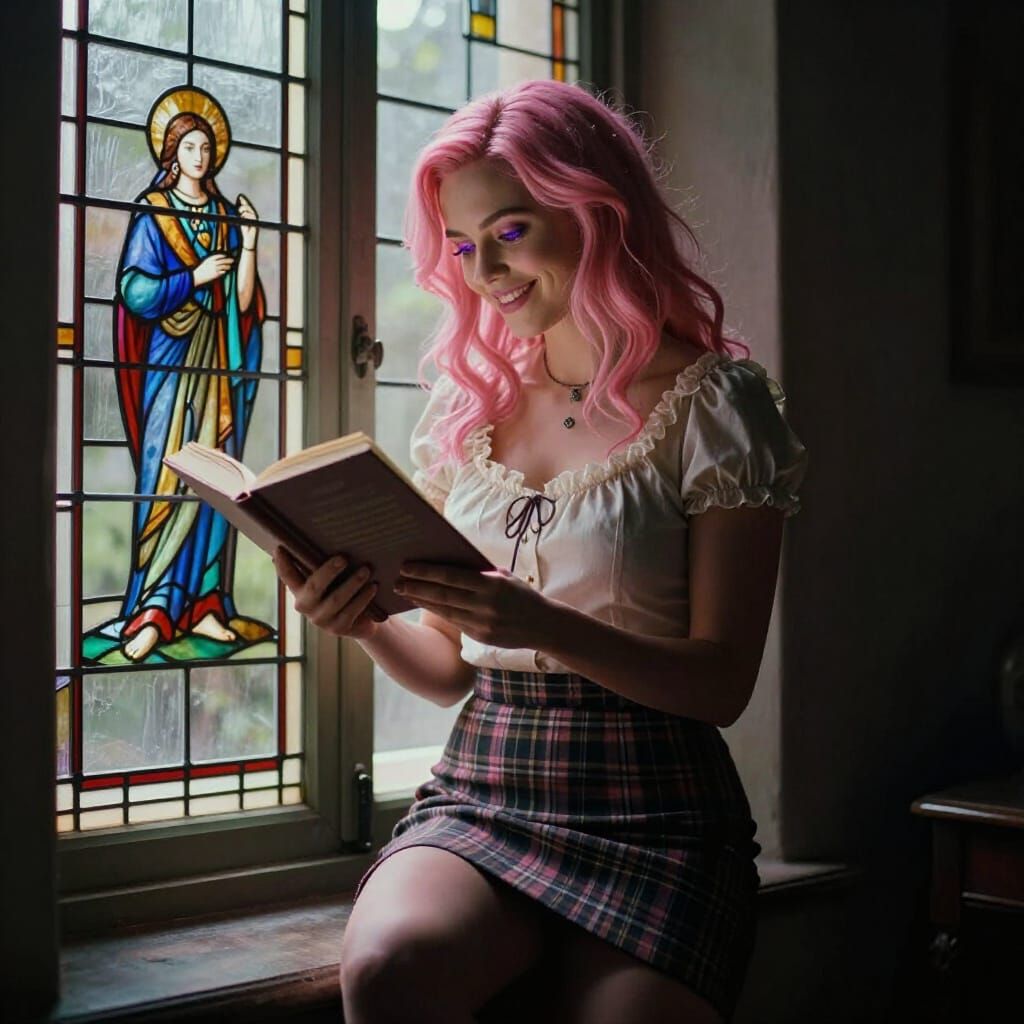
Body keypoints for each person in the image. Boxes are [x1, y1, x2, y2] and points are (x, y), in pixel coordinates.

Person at [273, 78, 807, 1024]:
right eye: (462, 245)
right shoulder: (470, 409)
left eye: (510, 231)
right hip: (485, 788)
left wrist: (541, 624)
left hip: (658, 809)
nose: (485, 270)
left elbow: (722, 685)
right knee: (387, 970)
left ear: (596, 211)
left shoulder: (718, 405)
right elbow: (448, 671)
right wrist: (361, 620)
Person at [112, 87, 265, 663]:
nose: (201, 157)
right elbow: (135, 290)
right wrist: (194, 278)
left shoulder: (224, 218)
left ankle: (205, 605)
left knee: (215, 481)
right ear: (173, 153)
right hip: (170, 367)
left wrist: (249, 245)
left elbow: (244, 305)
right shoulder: (154, 212)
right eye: (190, 147)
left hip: (218, 367)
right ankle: (152, 611)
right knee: (166, 475)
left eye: (206, 148)